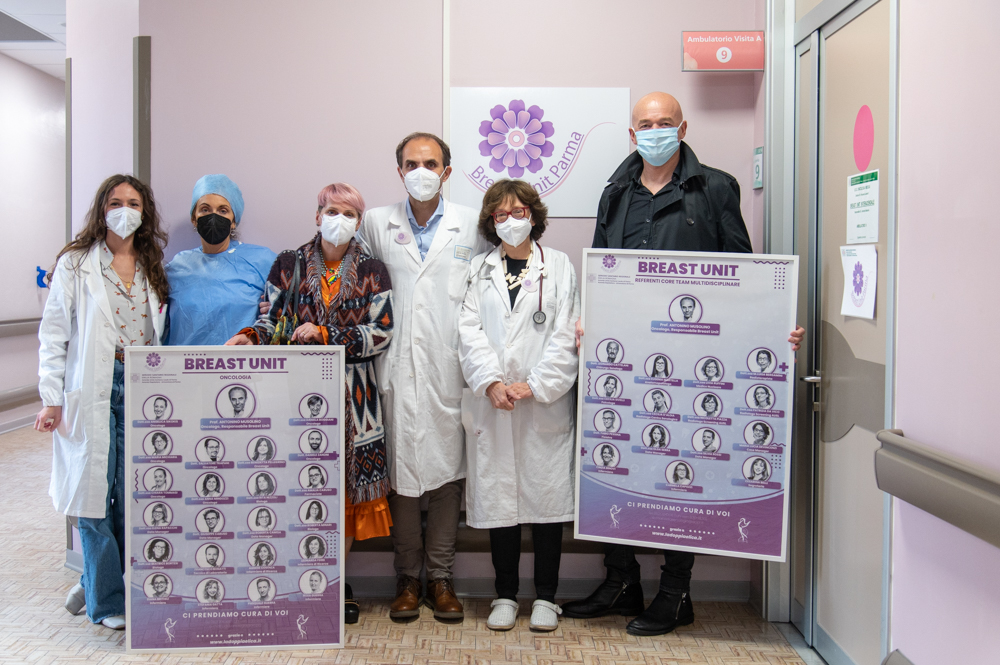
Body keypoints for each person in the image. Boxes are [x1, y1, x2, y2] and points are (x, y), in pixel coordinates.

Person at [566, 92, 806, 636]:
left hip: (695, 359)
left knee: (684, 465)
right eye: (645, 124)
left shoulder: (715, 187)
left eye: (665, 123)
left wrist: (772, 330)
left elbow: (743, 272)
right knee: (614, 460)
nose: (655, 131)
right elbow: (602, 268)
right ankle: (621, 581)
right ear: (632, 134)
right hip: (624, 360)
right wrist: (588, 319)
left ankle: (676, 594)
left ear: (682, 128)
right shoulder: (615, 191)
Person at [229, 182, 393, 626]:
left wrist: (327, 334)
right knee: (297, 488)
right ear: (317, 216)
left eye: (349, 213)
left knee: (343, 494)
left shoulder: (373, 270)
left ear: (359, 222)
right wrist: (250, 337)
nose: (339, 220)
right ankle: (297, 581)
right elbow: (271, 319)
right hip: (294, 397)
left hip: (354, 399)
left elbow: (382, 332)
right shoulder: (290, 263)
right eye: (331, 211)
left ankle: (333, 583)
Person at [359, 132, 491, 623]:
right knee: (402, 475)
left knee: (447, 476)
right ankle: (407, 580)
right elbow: (358, 285)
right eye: (412, 164)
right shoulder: (376, 223)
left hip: (450, 366)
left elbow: (487, 293)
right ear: (399, 171)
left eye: (430, 163)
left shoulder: (471, 224)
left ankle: (441, 578)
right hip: (394, 366)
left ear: (446, 171)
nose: (421, 171)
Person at [459, 179, 579, 633]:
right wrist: (490, 382)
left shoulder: (559, 266)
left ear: (534, 214)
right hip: (494, 403)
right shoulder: (479, 269)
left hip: (542, 403)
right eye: (501, 214)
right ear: (491, 221)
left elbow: (567, 331)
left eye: (519, 212)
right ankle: (505, 594)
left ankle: (547, 597)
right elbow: (467, 330)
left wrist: (536, 384)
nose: (510, 221)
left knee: (547, 502)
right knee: (500, 503)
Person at [164, 174, 276, 346]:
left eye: (223, 211)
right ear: (194, 218)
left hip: (241, 360)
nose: (213, 216)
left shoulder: (262, 260)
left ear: (233, 221)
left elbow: (285, 311)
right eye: (205, 209)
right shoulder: (177, 267)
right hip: (187, 361)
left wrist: (276, 309)